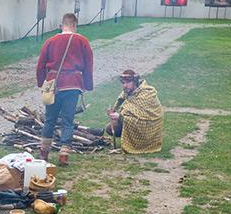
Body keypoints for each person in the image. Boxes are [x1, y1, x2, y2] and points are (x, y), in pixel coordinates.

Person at [36, 13, 94, 166]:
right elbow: (89, 65)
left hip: (54, 84)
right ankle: (63, 154)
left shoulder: (50, 41)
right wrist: (88, 84)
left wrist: (40, 81)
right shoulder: (82, 41)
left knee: (50, 120)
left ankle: (43, 153)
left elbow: (41, 64)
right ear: (74, 25)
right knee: (68, 120)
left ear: (62, 25)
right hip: (73, 84)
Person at [105, 69, 163, 154]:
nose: (125, 86)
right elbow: (121, 102)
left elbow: (142, 118)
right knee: (110, 127)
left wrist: (119, 117)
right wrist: (113, 111)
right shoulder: (128, 92)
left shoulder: (146, 93)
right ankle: (129, 138)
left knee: (118, 123)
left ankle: (141, 144)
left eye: (128, 83)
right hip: (135, 122)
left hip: (148, 127)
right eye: (123, 83)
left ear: (135, 82)